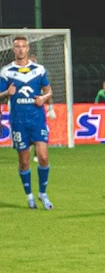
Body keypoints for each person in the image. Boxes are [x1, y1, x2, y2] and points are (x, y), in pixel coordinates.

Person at [0, 35, 53, 210]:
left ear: (28, 48)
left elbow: (48, 91)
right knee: (24, 161)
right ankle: (29, 196)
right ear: (13, 50)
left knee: (43, 157)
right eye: (17, 46)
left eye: (23, 46)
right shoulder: (7, 71)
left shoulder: (39, 69)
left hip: (37, 119)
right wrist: (6, 93)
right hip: (19, 121)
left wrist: (43, 99)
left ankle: (43, 193)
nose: (21, 49)